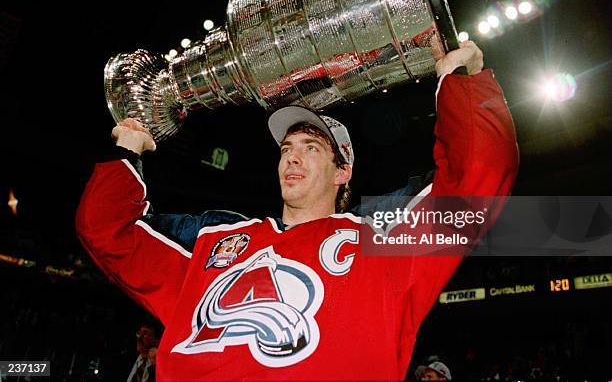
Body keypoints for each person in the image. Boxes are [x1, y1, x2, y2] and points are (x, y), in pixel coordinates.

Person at [76, 40, 519, 380]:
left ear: (341, 172)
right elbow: (107, 232)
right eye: (287, 148)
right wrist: (126, 153)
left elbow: (477, 179)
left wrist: (463, 83)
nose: (291, 157)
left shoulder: (384, 248)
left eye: (310, 147)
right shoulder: (212, 243)